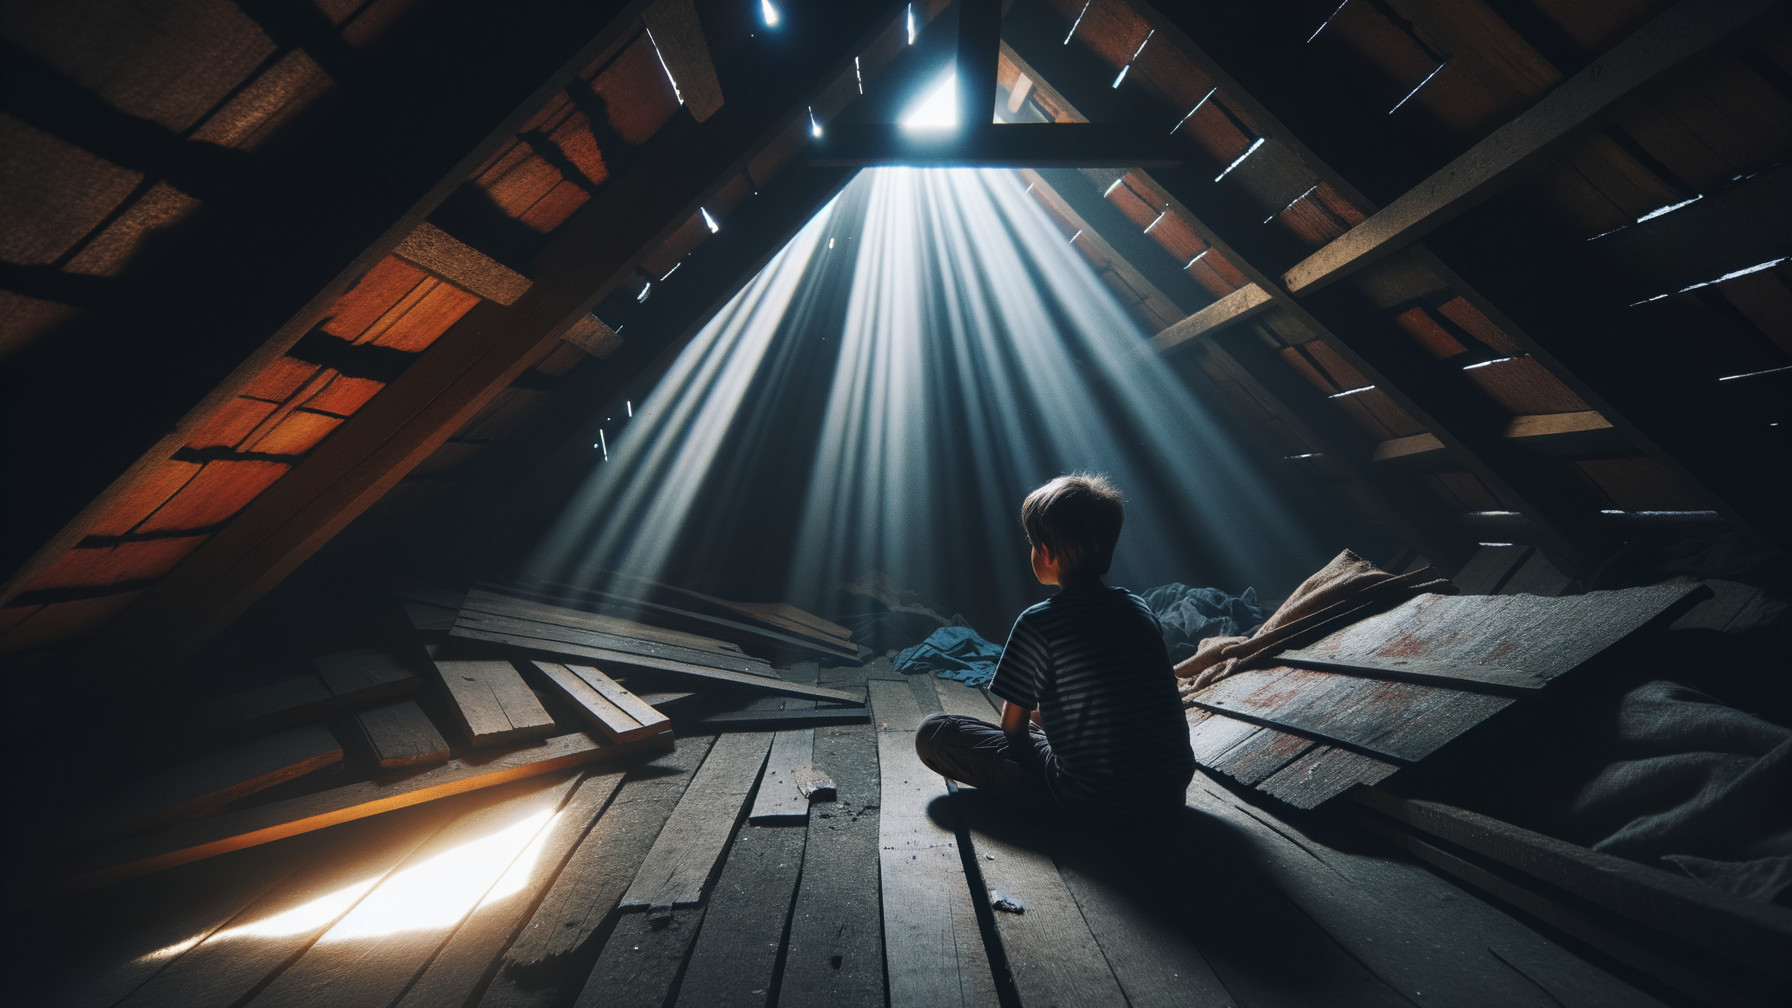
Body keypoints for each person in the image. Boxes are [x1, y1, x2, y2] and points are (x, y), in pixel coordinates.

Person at [914, 473, 1195, 822]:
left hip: (1088, 801)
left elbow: (1012, 730)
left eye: (1033, 543)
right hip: (1167, 796)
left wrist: (1027, 760)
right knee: (1047, 716)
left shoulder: (1038, 622)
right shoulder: (1139, 609)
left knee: (933, 732)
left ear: (1046, 552)